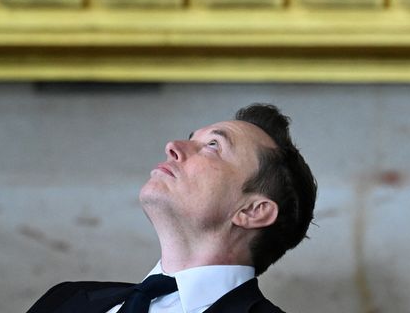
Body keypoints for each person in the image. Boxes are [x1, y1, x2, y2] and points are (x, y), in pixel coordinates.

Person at [27, 103, 317, 313]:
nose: (173, 146)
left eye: (213, 146)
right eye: (192, 139)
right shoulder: (65, 300)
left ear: (253, 210)